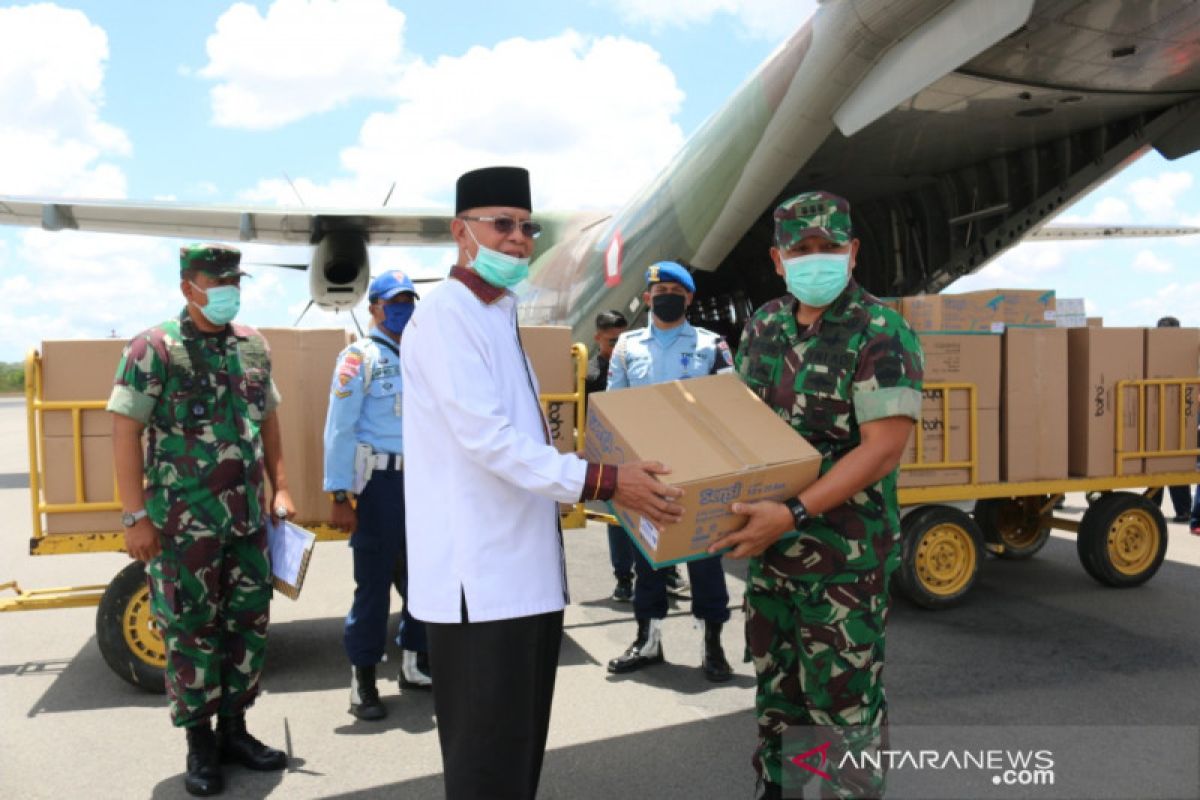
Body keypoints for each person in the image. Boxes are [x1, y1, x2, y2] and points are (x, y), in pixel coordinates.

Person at [401, 165, 684, 800]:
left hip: (524, 583)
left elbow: (521, 447)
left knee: (516, 764)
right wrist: (607, 481)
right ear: (460, 231)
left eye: (526, 227)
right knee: (487, 772)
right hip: (480, 588)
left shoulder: (498, 313)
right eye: (500, 224)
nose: (518, 238)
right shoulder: (446, 316)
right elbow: (489, 442)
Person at [710, 192, 923, 800]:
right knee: (778, 695)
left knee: (843, 707)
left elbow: (882, 447)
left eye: (829, 247)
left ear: (852, 252)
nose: (816, 259)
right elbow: (743, 428)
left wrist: (795, 511)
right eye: (801, 250)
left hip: (844, 566)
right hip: (772, 557)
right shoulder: (764, 326)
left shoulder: (881, 330)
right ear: (779, 260)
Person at [108, 244, 291, 797]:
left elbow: (270, 423)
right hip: (181, 527)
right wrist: (134, 515)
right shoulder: (153, 348)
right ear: (189, 287)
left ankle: (235, 730)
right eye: (218, 280)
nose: (230, 289)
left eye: (236, 280)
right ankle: (200, 743)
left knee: (247, 625)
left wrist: (280, 487)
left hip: (246, 524)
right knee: (189, 633)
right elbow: (123, 432)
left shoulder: (254, 347)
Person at [605, 261, 737, 682]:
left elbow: (729, 405)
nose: (663, 296)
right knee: (649, 557)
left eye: (673, 290)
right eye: (657, 289)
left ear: (688, 298)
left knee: (705, 555)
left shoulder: (711, 345)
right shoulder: (627, 347)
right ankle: (648, 639)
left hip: (700, 467)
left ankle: (712, 644)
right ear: (646, 298)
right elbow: (614, 408)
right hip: (646, 470)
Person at [322, 270, 431, 722]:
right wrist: (339, 493)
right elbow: (340, 428)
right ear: (374, 308)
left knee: (424, 580)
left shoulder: (424, 357)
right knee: (373, 585)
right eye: (394, 302)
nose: (403, 308)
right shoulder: (358, 358)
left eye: (409, 300)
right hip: (379, 485)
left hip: (423, 485)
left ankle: (415, 662)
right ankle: (363, 679)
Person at [585, 309, 640, 602]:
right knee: (619, 517)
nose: (617, 347)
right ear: (597, 338)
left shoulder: (639, 365)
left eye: (622, 340)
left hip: (640, 448)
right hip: (612, 455)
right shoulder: (591, 375)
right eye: (611, 341)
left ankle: (665, 573)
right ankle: (623, 578)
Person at [1152, 315, 1193, 522]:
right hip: (1155, 413)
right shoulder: (1151, 352)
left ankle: (1182, 509)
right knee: (1155, 463)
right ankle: (1154, 507)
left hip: (1180, 414)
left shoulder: (1187, 353)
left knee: (1175, 461)